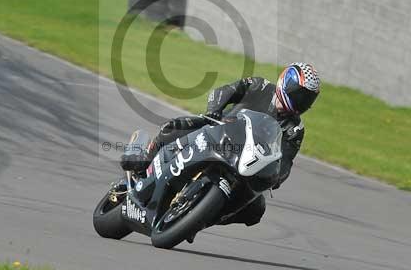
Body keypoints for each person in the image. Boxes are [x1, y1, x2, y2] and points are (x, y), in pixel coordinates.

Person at [120, 63, 322, 226]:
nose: (301, 101)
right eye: (298, 93)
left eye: (307, 99)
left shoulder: (295, 129)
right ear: (286, 82)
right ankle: (143, 157)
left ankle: (203, 216)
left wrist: (276, 177)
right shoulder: (260, 86)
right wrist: (215, 110)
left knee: (256, 209)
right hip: (217, 133)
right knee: (175, 126)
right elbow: (226, 91)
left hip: (244, 164)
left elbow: (285, 161)